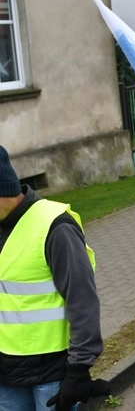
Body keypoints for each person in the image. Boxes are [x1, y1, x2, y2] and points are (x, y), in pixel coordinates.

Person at [0, 146, 109, 410]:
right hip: (6, 374)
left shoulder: (55, 227)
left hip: (50, 373)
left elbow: (82, 300)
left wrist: (79, 368)